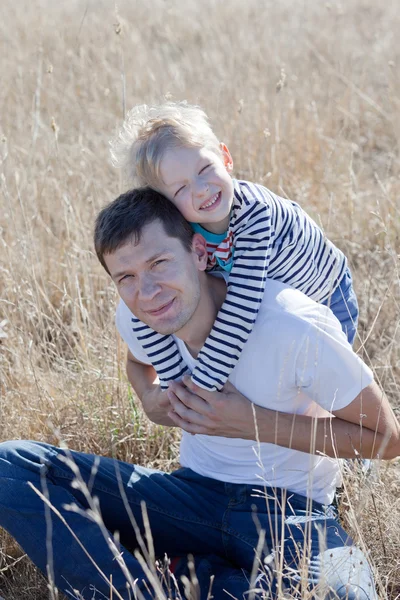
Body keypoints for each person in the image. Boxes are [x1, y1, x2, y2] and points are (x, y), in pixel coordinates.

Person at [1, 189, 397, 599]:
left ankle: (204, 580)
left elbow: (386, 438)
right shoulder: (140, 315)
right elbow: (138, 363)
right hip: (186, 499)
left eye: (159, 263)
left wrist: (251, 424)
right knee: (8, 466)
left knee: (348, 596)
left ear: (199, 251)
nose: (148, 291)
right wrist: (148, 398)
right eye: (127, 278)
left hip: (291, 512)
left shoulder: (291, 325)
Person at [109, 101, 359, 393]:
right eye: (181, 188)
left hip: (325, 297)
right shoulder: (182, 230)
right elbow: (143, 316)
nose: (201, 188)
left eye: (205, 169)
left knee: (321, 389)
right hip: (267, 300)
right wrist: (175, 383)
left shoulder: (255, 214)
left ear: (225, 158)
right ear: (166, 206)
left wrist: (202, 387)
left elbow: (240, 311)